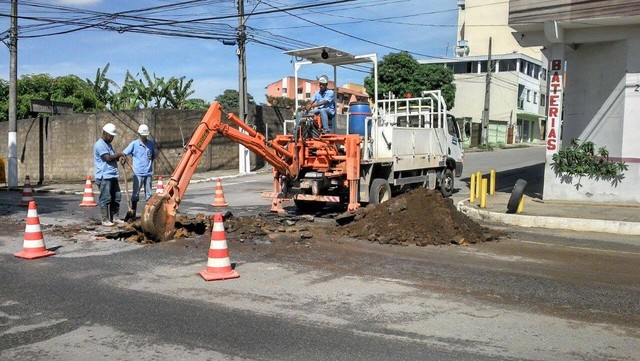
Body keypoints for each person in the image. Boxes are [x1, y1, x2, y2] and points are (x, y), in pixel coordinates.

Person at [94, 123, 125, 226]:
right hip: (104, 176)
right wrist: (118, 154)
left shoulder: (109, 145)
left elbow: (113, 157)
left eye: (113, 136)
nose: (112, 138)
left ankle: (115, 217)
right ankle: (105, 219)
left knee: (117, 196)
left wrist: (118, 157)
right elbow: (107, 158)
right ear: (105, 134)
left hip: (112, 174)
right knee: (105, 198)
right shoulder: (99, 145)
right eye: (111, 136)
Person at [122, 124, 156, 217]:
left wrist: (149, 166)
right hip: (138, 174)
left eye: (145, 135)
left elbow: (153, 156)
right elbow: (124, 154)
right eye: (142, 135)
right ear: (139, 134)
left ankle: (147, 215)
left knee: (149, 195)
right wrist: (131, 165)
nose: (144, 137)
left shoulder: (151, 144)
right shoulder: (134, 144)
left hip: (148, 173)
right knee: (135, 194)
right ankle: (133, 213)